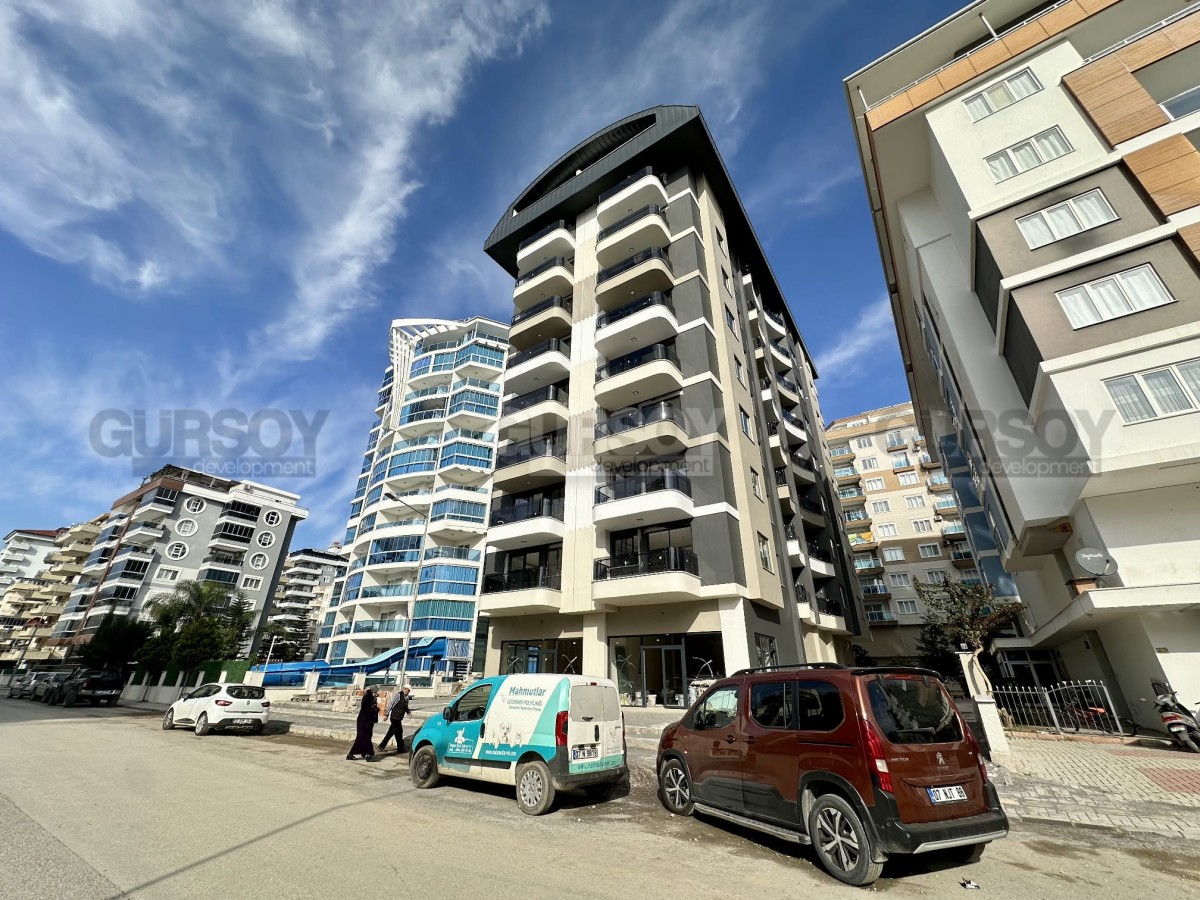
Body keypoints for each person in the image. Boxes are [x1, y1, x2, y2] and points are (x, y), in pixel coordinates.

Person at [346, 687, 379, 761]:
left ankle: (365, 753)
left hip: (368, 721)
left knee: (366, 737)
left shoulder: (373, 698)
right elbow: (366, 709)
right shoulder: (367, 698)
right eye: (375, 692)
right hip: (364, 721)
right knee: (363, 738)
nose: (376, 694)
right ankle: (367, 754)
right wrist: (374, 709)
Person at [378, 686, 412, 753]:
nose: (407, 692)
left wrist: (408, 712)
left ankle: (381, 746)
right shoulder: (398, 695)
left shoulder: (407, 697)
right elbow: (391, 704)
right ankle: (400, 748)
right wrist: (386, 714)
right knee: (399, 732)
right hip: (394, 717)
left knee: (391, 733)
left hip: (399, 717)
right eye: (406, 690)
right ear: (404, 689)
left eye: (408, 691)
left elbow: (405, 706)